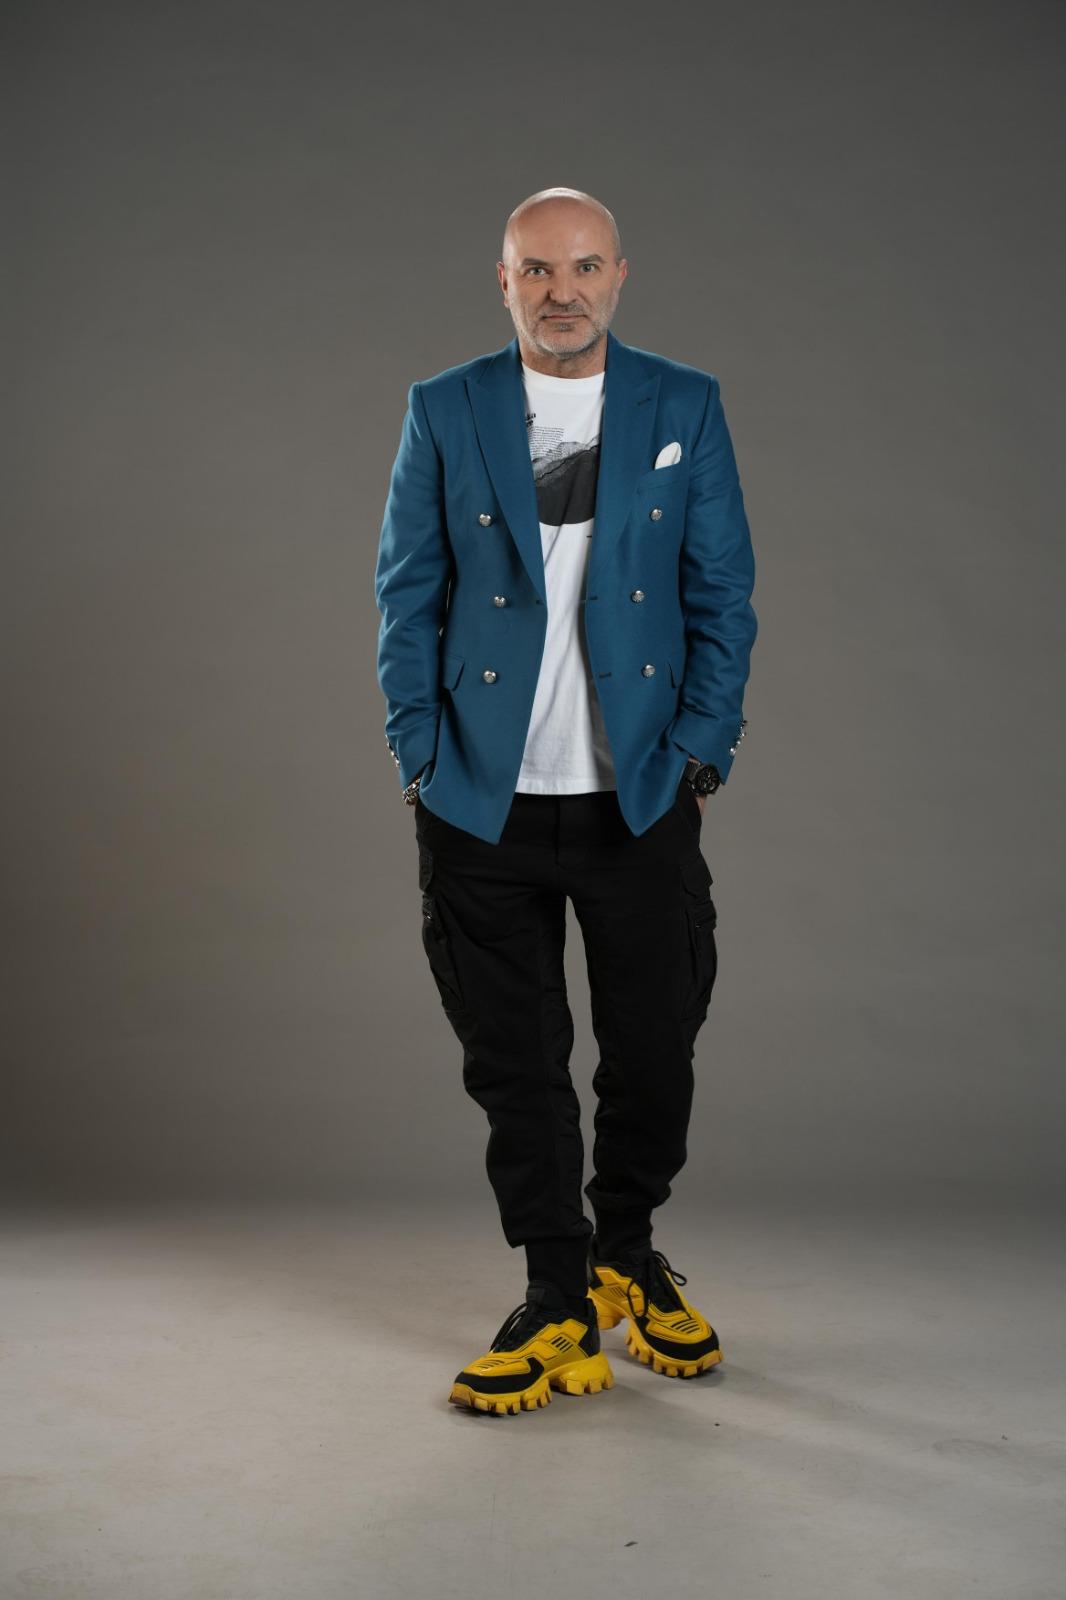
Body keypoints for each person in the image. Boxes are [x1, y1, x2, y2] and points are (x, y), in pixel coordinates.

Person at [374, 187, 757, 1415]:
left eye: (584, 266)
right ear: (503, 281)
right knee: (515, 1064)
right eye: (537, 270)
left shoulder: (682, 403)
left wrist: (699, 754)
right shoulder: (444, 407)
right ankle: (553, 1292)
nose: (562, 291)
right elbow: (406, 595)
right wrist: (419, 756)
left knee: (653, 1047)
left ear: (619, 275)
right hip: (480, 799)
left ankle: (625, 1253)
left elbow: (722, 592)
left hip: (635, 794)